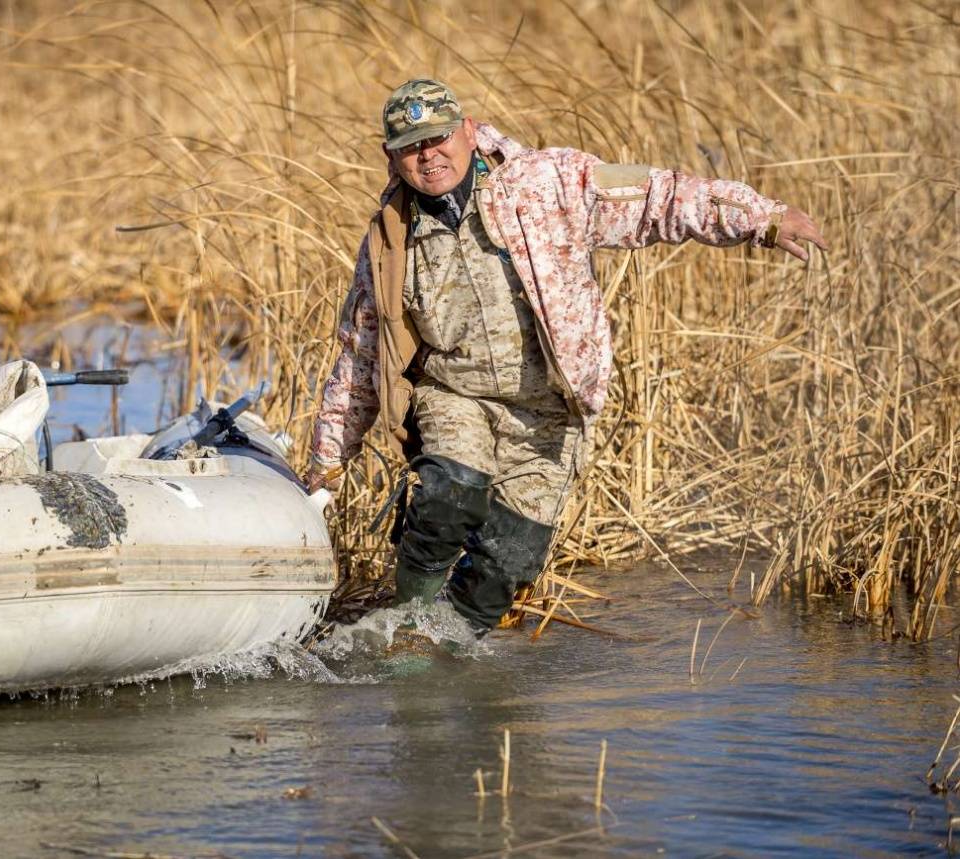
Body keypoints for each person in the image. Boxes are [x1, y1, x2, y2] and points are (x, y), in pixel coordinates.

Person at [304, 79, 827, 634]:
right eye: (411, 146)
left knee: (506, 565)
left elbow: (657, 197)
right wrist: (327, 465)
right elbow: (359, 355)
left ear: (468, 131)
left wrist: (760, 218)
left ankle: (448, 664)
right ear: (391, 156)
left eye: (438, 138)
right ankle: (403, 634)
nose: (428, 155)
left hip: (550, 412)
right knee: (449, 497)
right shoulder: (390, 238)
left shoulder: (546, 183)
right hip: (457, 395)